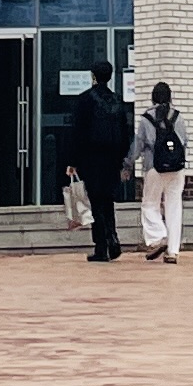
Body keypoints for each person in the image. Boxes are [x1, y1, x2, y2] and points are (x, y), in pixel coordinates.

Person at [64, 63, 133, 262]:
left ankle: (102, 246)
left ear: (93, 76)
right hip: (112, 160)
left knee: (96, 201)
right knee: (108, 201)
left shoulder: (85, 100)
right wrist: (121, 160)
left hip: (91, 159)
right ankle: (113, 238)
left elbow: (78, 133)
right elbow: (125, 133)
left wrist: (73, 161)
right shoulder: (117, 100)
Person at [136, 79, 190, 262]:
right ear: (170, 97)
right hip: (176, 168)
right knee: (174, 206)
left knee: (149, 204)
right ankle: (173, 251)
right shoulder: (178, 117)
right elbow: (184, 142)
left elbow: (139, 144)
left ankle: (159, 236)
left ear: (152, 98)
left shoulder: (146, 118)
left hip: (154, 167)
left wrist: (127, 163)